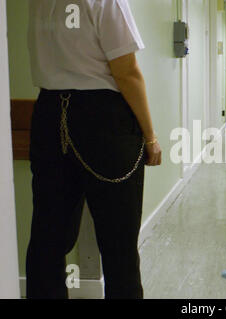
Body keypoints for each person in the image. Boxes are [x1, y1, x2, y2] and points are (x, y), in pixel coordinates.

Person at [26, 0, 161, 298]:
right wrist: (150, 136)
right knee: (118, 240)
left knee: (48, 236)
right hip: (104, 120)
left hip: (48, 114)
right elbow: (126, 72)